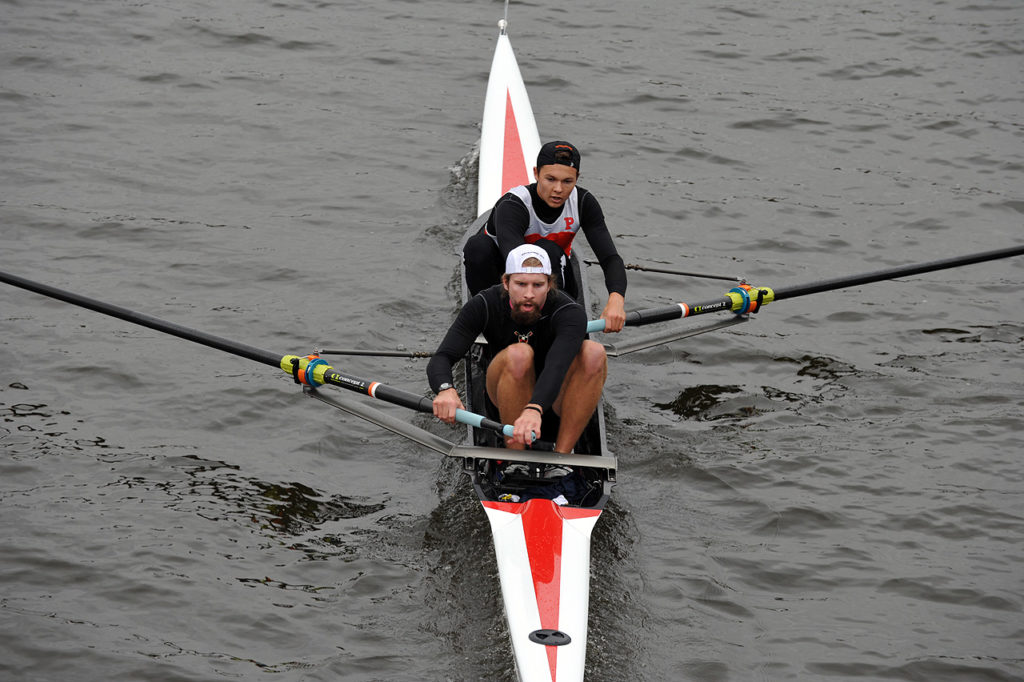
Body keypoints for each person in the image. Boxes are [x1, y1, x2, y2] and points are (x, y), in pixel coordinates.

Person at [428, 244, 607, 453]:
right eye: (521, 284)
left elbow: (557, 365)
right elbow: (442, 356)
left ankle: (563, 457)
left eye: (537, 285)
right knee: (520, 353)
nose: (529, 294)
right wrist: (445, 389)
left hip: (555, 403)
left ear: (549, 285)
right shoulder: (484, 304)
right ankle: (515, 456)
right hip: (504, 403)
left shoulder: (569, 312)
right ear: (506, 282)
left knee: (594, 352)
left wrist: (534, 408)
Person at [462, 140, 628, 333]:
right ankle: (491, 321)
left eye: (567, 181)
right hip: (505, 282)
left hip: (553, 282)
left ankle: (555, 321)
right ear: (536, 174)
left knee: (547, 250)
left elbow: (610, 258)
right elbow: (519, 266)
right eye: (550, 179)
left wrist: (616, 300)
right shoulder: (513, 205)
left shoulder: (583, 203)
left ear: (577, 178)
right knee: (477, 247)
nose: (558, 189)